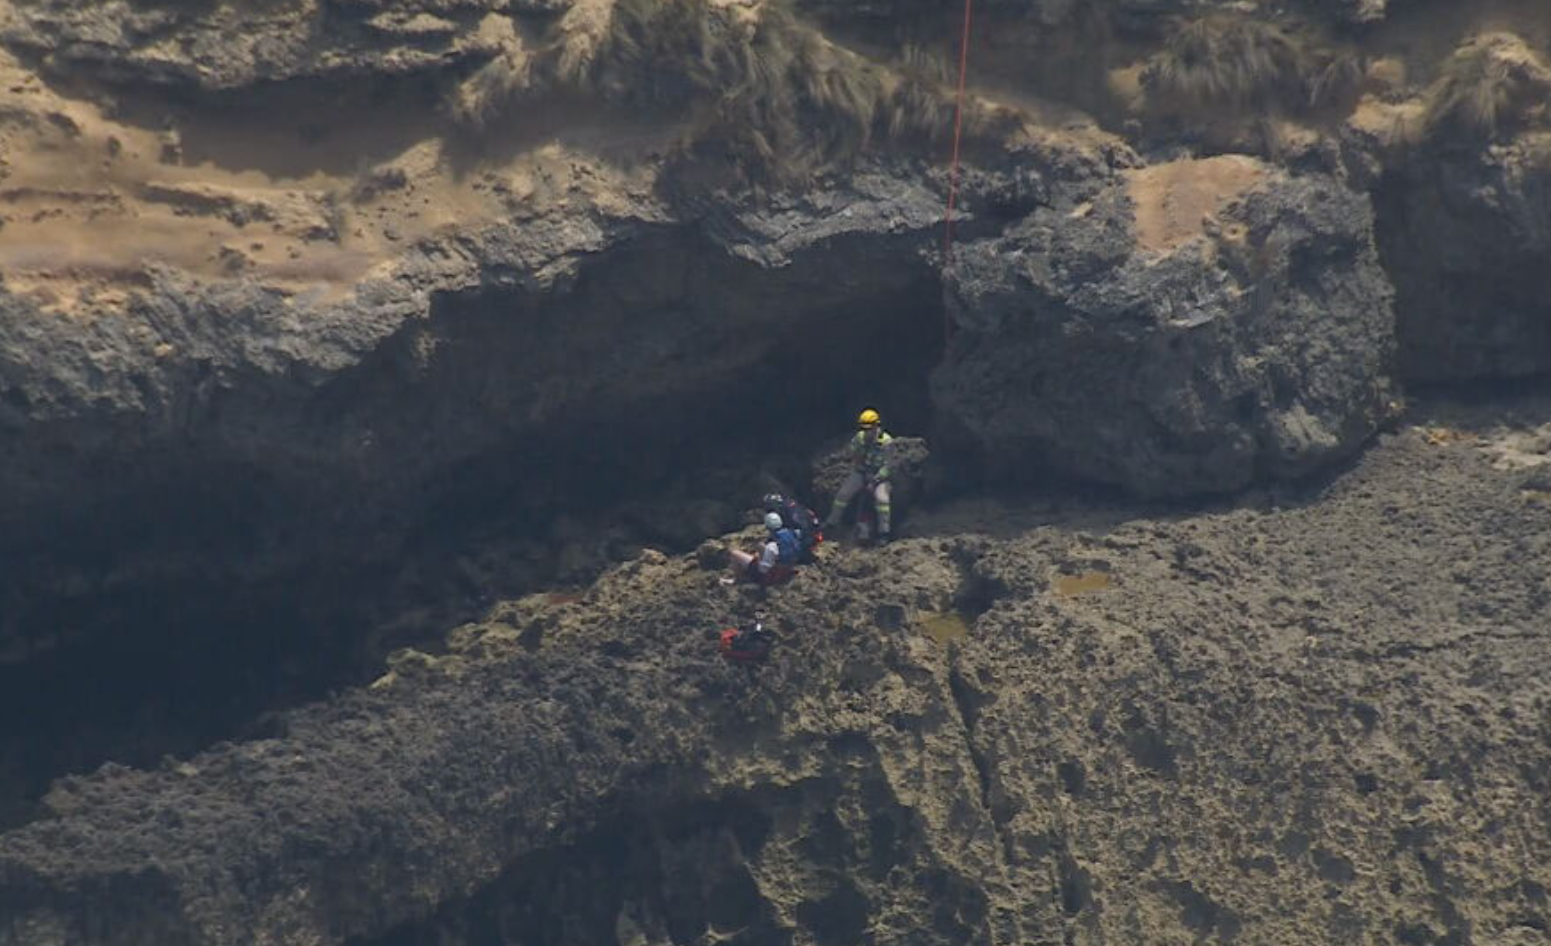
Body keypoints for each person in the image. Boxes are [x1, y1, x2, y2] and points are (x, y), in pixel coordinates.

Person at [825, 407, 893, 543]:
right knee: (843, 494)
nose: (867, 432)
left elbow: (889, 465)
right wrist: (859, 468)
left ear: (876, 426)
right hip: (862, 471)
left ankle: (883, 532)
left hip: (879, 476)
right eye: (864, 428)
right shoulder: (859, 438)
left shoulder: (887, 442)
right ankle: (831, 523)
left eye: (869, 428)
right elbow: (853, 454)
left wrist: (875, 480)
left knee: (882, 499)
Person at [727, 512, 801, 585]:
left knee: (734, 554)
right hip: (787, 569)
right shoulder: (793, 534)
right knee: (757, 555)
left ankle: (738, 580)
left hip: (771, 576)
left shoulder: (772, 545)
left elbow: (763, 570)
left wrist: (760, 554)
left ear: (767, 527)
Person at [762, 492, 822, 562]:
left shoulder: (787, 512)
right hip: (813, 533)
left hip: (806, 540)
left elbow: (801, 528)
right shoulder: (793, 505)